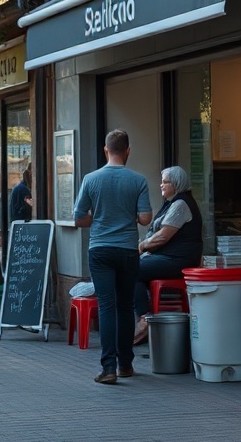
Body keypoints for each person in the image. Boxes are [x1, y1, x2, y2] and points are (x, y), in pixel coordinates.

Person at [73, 129, 153, 385]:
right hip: (128, 250)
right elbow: (145, 218)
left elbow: (79, 218)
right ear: (128, 150)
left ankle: (108, 368)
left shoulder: (90, 179)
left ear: (105, 150)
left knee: (106, 306)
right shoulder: (138, 180)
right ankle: (126, 364)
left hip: (100, 250)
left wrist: (97, 219)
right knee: (126, 306)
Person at [132, 166, 203, 344]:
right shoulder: (172, 203)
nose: (161, 185)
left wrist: (141, 247)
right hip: (168, 257)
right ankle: (144, 316)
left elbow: (163, 236)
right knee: (132, 268)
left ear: (176, 184)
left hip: (178, 260)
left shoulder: (181, 204)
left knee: (131, 269)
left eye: (165, 182)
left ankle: (144, 318)